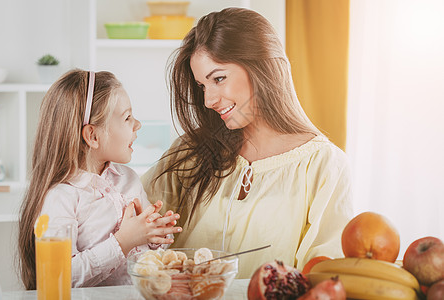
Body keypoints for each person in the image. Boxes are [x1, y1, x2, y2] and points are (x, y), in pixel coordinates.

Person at [141, 7, 353, 279]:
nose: (209, 100)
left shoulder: (324, 166)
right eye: (203, 86)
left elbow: (323, 275)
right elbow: (131, 215)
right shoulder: (190, 151)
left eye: (219, 79)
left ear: (261, 66)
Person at [18, 69, 182, 289]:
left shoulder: (129, 180)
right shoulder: (61, 198)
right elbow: (58, 276)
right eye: (127, 117)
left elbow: (144, 262)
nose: (137, 125)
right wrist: (123, 242)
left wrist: (153, 237)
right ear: (93, 136)